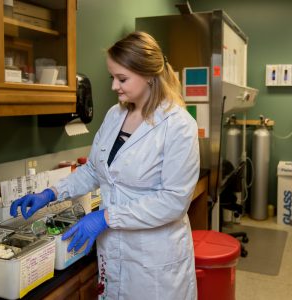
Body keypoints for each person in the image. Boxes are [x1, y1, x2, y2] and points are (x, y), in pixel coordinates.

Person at [10, 31, 200, 299]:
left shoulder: (179, 125)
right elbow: (93, 170)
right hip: (114, 252)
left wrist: (107, 217)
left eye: (122, 78)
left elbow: (173, 201)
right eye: (113, 77)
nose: (114, 86)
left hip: (155, 260)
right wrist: (52, 193)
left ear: (148, 74)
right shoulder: (116, 114)